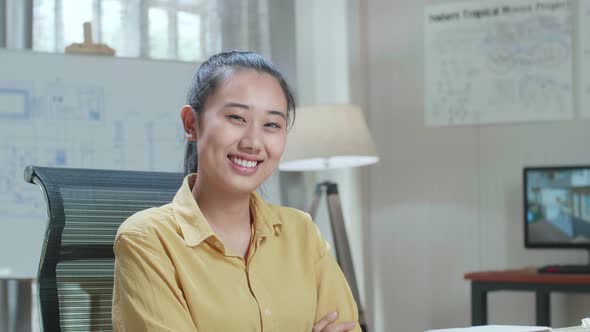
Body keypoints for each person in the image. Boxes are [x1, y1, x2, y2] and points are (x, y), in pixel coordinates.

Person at [112, 51, 360, 332]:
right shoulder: (147, 239)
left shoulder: (301, 230)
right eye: (236, 118)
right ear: (191, 124)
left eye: (271, 124)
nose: (254, 142)